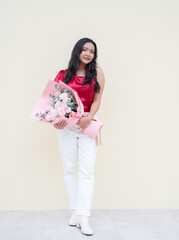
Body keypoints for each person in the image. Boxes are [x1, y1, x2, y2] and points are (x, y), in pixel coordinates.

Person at [53, 37, 105, 236]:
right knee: (69, 169)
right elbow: (55, 103)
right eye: (84, 49)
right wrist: (57, 123)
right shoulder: (63, 74)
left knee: (87, 170)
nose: (88, 53)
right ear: (77, 51)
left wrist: (89, 118)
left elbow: (98, 99)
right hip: (67, 126)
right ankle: (75, 209)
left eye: (91, 51)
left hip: (87, 122)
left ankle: (84, 216)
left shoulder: (98, 73)